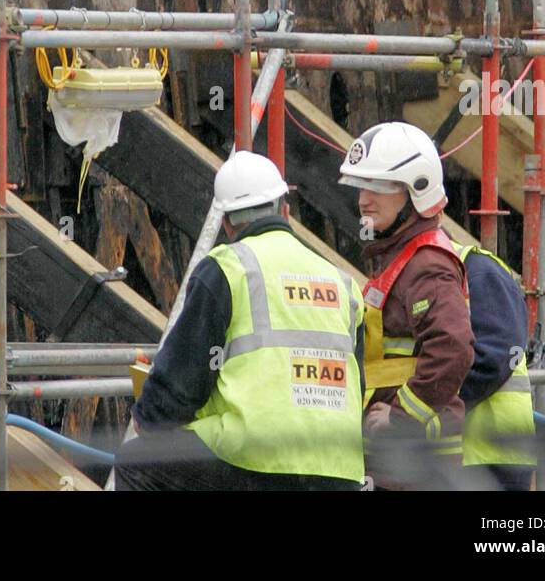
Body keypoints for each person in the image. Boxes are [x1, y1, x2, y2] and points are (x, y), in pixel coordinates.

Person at [115, 150, 365, 491]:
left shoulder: (228, 269)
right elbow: (357, 386)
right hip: (340, 468)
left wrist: (150, 418)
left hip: (255, 462)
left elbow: (184, 376)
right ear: (286, 210)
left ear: (227, 223)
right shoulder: (343, 283)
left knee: (137, 463)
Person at [338, 122, 474, 489]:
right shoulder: (402, 259)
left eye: (379, 186)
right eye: (361, 186)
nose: (365, 199)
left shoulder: (426, 264)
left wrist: (401, 417)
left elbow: (453, 346)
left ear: (417, 190)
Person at [449, 237, 537, 491]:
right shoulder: (404, 273)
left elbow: (493, 360)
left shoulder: (476, 269)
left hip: (490, 457)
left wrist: (428, 409)